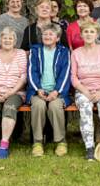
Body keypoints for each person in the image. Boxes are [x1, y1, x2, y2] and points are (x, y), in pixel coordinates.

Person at [71, 18, 100, 161]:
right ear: (82, 35)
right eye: (86, 32)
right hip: (84, 90)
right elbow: (73, 77)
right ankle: (89, 148)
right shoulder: (76, 53)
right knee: (85, 107)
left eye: (92, 31)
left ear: (97, 35)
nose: (89, 34)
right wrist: (85, 91)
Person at [26, 23, 71, 156]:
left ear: (57, 38)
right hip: (38, 91)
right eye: (45, 34)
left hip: (58, 92)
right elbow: (31, 71)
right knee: (38, 105)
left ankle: (61, 141)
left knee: (55, 106)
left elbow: (66, 73)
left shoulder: (63, 52)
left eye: (51, 34)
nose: (47, 36)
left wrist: (57, 91)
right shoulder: (35, 50)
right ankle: (38, 142)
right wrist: (38, 89)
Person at [0, 27, 28, 159]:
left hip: (15, 92)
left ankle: (4, 144)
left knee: (9, 109)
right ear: (0, 40)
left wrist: (11, 92)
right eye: (5, 38)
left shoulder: (20, 53)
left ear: (14, 41)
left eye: (10, 38)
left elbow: (23, 77)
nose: (7, 40)